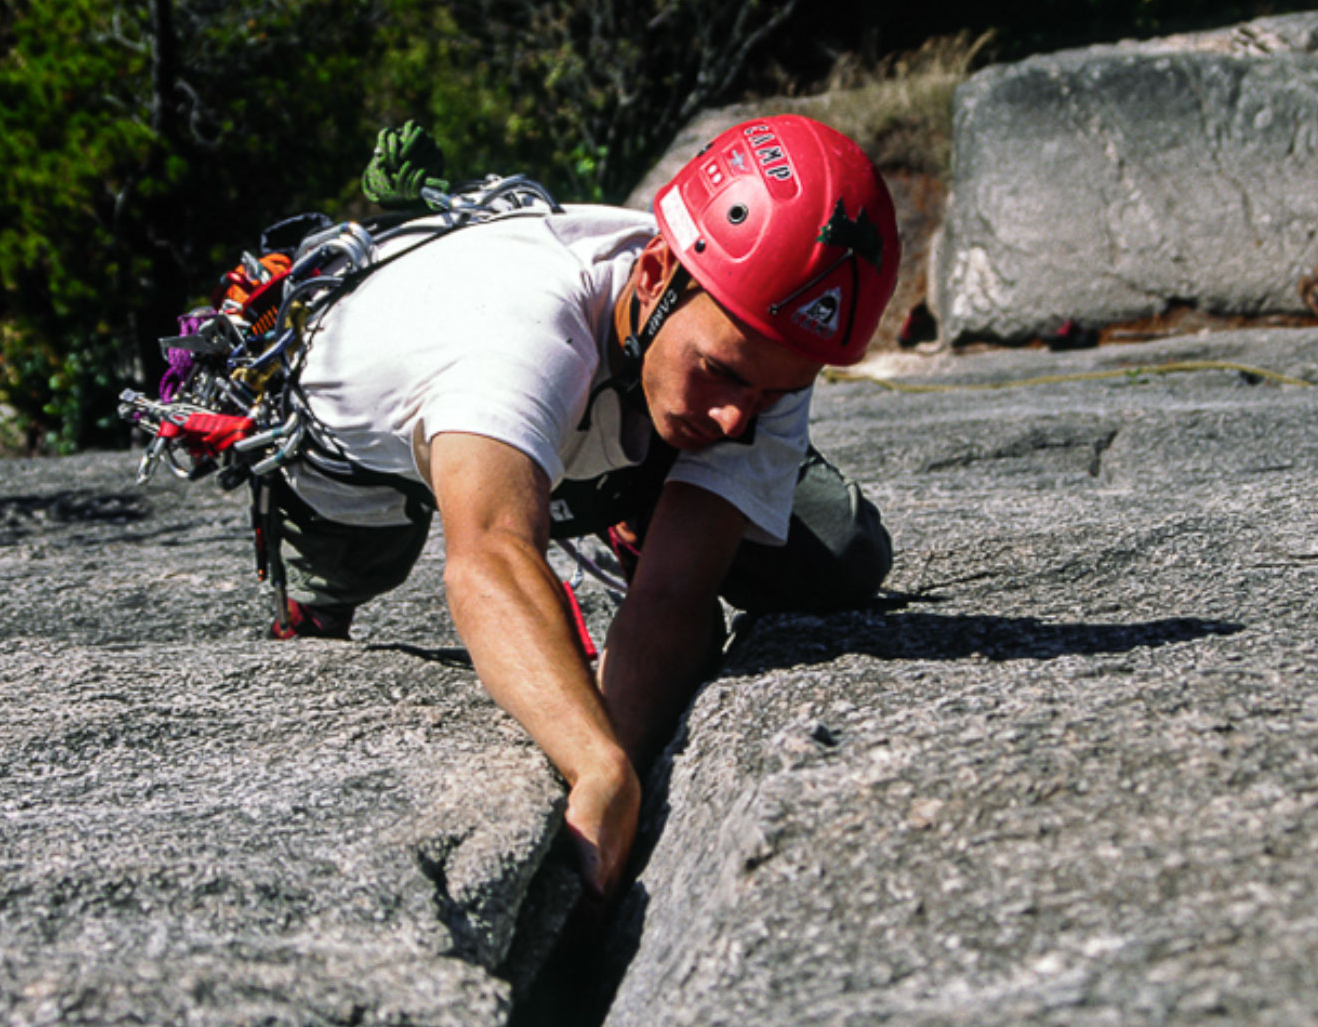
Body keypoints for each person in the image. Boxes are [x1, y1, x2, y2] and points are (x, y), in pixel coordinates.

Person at [271, 114, 899, 898]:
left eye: (778, 391)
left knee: (836, 552)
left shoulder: (754, 323)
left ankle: (632, 502)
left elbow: (675, 592)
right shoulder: (521, 334)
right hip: (361, 447)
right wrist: (594, 764)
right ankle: (320, 592)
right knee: (350, 564)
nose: (742, 416)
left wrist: (616, 776)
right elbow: (491, 554)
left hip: (607, 389)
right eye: (725, 374)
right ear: (653, 276)